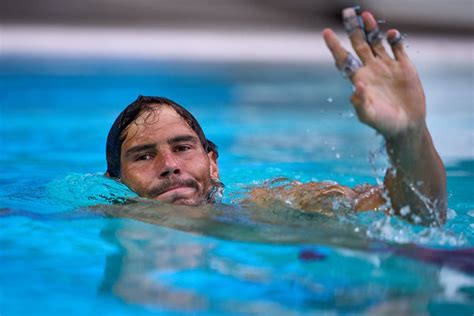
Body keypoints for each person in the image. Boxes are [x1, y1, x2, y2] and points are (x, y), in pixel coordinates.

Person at [105, 8, 447, 227]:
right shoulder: (82, 222)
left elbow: (415, 215)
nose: (169, 164)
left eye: (182, 147)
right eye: (144, 155)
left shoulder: (271, 208)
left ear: (212, 163)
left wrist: (408, 137)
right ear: (115, 180)